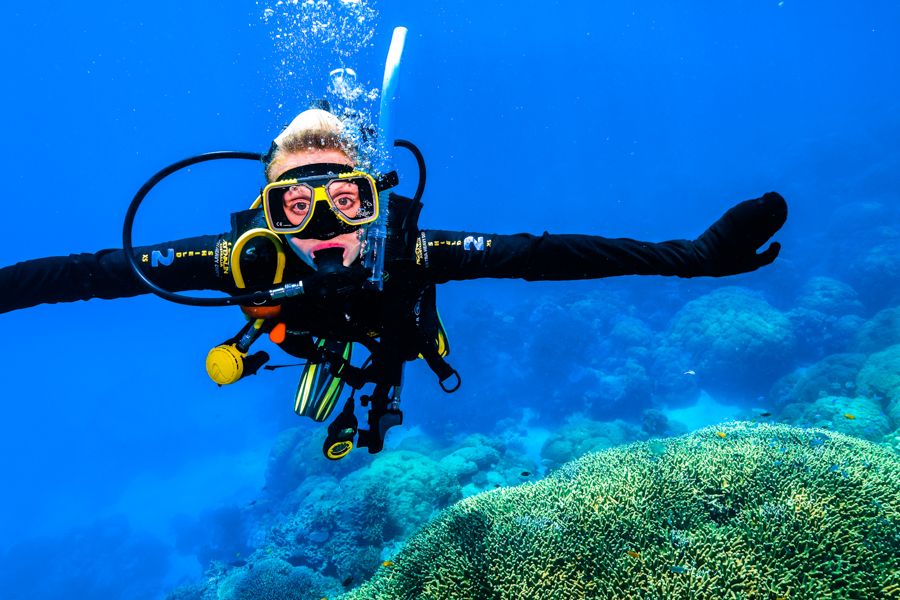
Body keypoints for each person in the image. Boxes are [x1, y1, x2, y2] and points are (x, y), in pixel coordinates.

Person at [0, 108, 788, 459]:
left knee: (401, 351)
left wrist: (690, 256)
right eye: (295, 204)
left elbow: (540, 254)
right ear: (266, 214)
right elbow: (90, 273)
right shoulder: (244, 261)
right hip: (291, 329)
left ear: (374, 199)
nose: (322, 223)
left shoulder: (410, 250)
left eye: (345, 198)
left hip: (390, 337)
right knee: (298, 353)